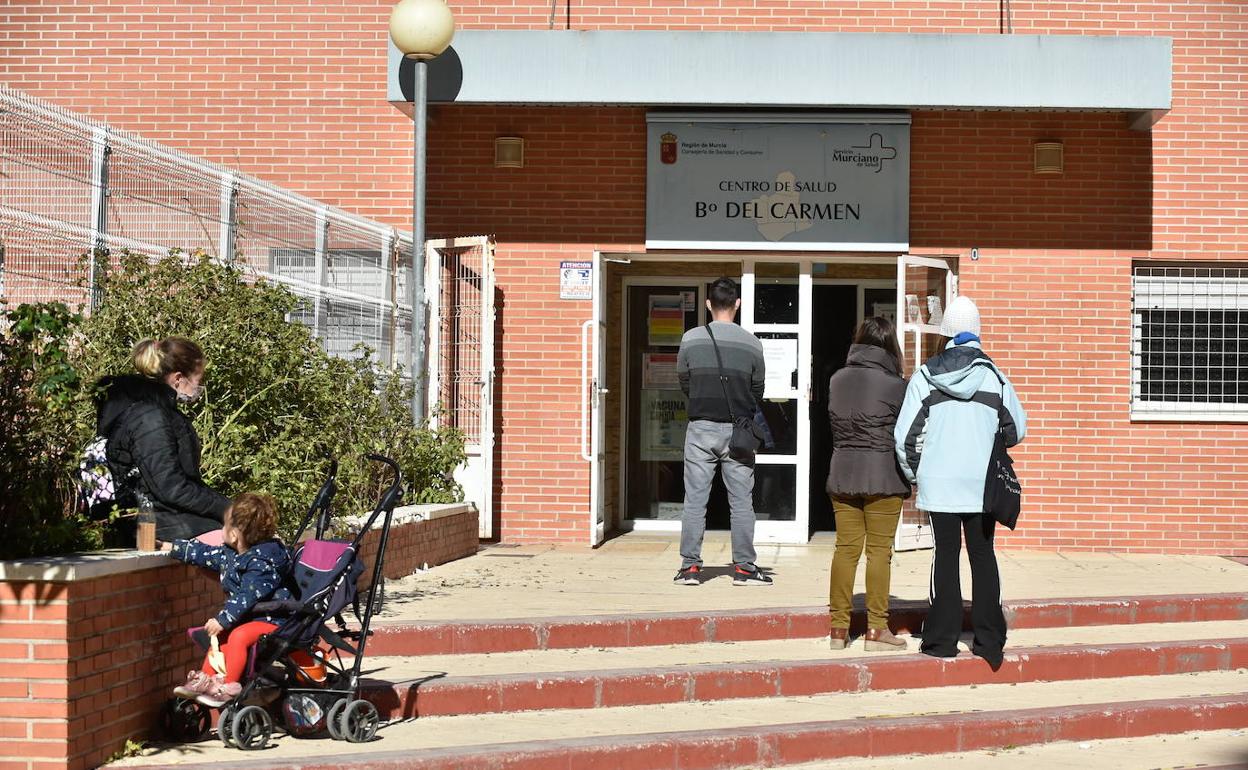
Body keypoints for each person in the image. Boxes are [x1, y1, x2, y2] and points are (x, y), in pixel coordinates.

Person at [894, 296, 1027, 670]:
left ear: (947, 332)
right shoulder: (994, 376)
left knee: (945, 556)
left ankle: (941, 640)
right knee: (983, 557)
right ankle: (989, 640)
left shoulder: (924, 375)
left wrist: (916, 474)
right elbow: (1017, 428)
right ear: (978, 333)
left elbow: (905, 438)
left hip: (939, 483)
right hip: (982, 484)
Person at [674, 277, 771, 586]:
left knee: (695, 500)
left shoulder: (690, 339)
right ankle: (744, 567)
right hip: (738, 431)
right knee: (741, 501)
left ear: (708, 304)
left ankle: (690, 567)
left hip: (700, 427)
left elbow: (684, 381)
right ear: (737, 304)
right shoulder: (752, 343)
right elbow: (758, 389)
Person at [825, 317, 911, 651]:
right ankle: (877, 630)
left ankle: (838, 629)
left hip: (843, 473)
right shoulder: (896, 385)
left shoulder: (836, 380)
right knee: (878, 553)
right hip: (883, 475)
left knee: (845, 550)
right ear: (891, 345)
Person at [165, 493, 295, 707]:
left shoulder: (262, 563)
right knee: (224, 635)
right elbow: (206, 554)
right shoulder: (233, 553)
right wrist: (173, 548)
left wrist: (223, 619)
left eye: (224, 525)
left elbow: (247, 596)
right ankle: (205, 679)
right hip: (249, 617)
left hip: (272, 619)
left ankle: (228, 685)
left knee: (238, 635)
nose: (221, 529)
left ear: (234, 534)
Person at [95, 337, 230, 541]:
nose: (199, 388)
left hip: (158, 517)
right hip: (147, 524)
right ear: (178, 379)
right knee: (244, 541)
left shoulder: (155, 412)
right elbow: (171, 487)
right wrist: (229, 509)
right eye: (198, 381)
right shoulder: (149, 417)